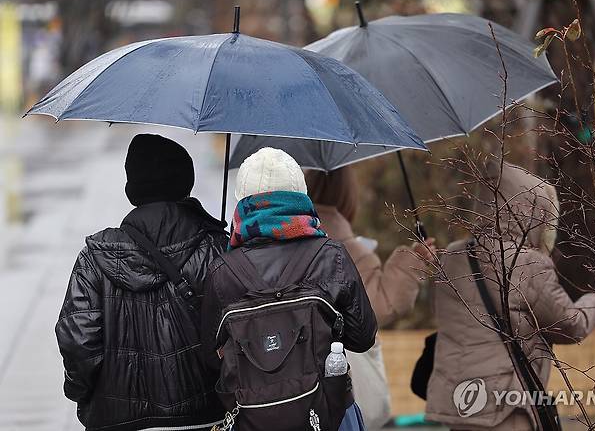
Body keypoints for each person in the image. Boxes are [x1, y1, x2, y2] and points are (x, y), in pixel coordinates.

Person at [55, 134, 228, 431]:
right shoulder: (215, 247)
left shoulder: (95, 257)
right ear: (186, 182)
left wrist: (82, 393)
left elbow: (78, 340)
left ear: (131, 189)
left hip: (118, 418)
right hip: (204, 416)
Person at [201, 148, 377, 431]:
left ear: (243, 202)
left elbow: (211, 359)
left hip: (250, 418)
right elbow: (363, 337)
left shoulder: (222, 271)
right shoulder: (330, 256)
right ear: (300, 197)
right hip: (328, 416)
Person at [425, 161, 595, 430]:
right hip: (504, 408)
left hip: (460, 404)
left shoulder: (451, 256)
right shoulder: (527, 264)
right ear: (532, 214)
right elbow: (570, 325)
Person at [306, 167, 437, 429]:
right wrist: (416, 260)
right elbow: (380, 307)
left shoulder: (294, 247)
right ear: (346, 195)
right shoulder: (353, 252)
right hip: (346, 385)